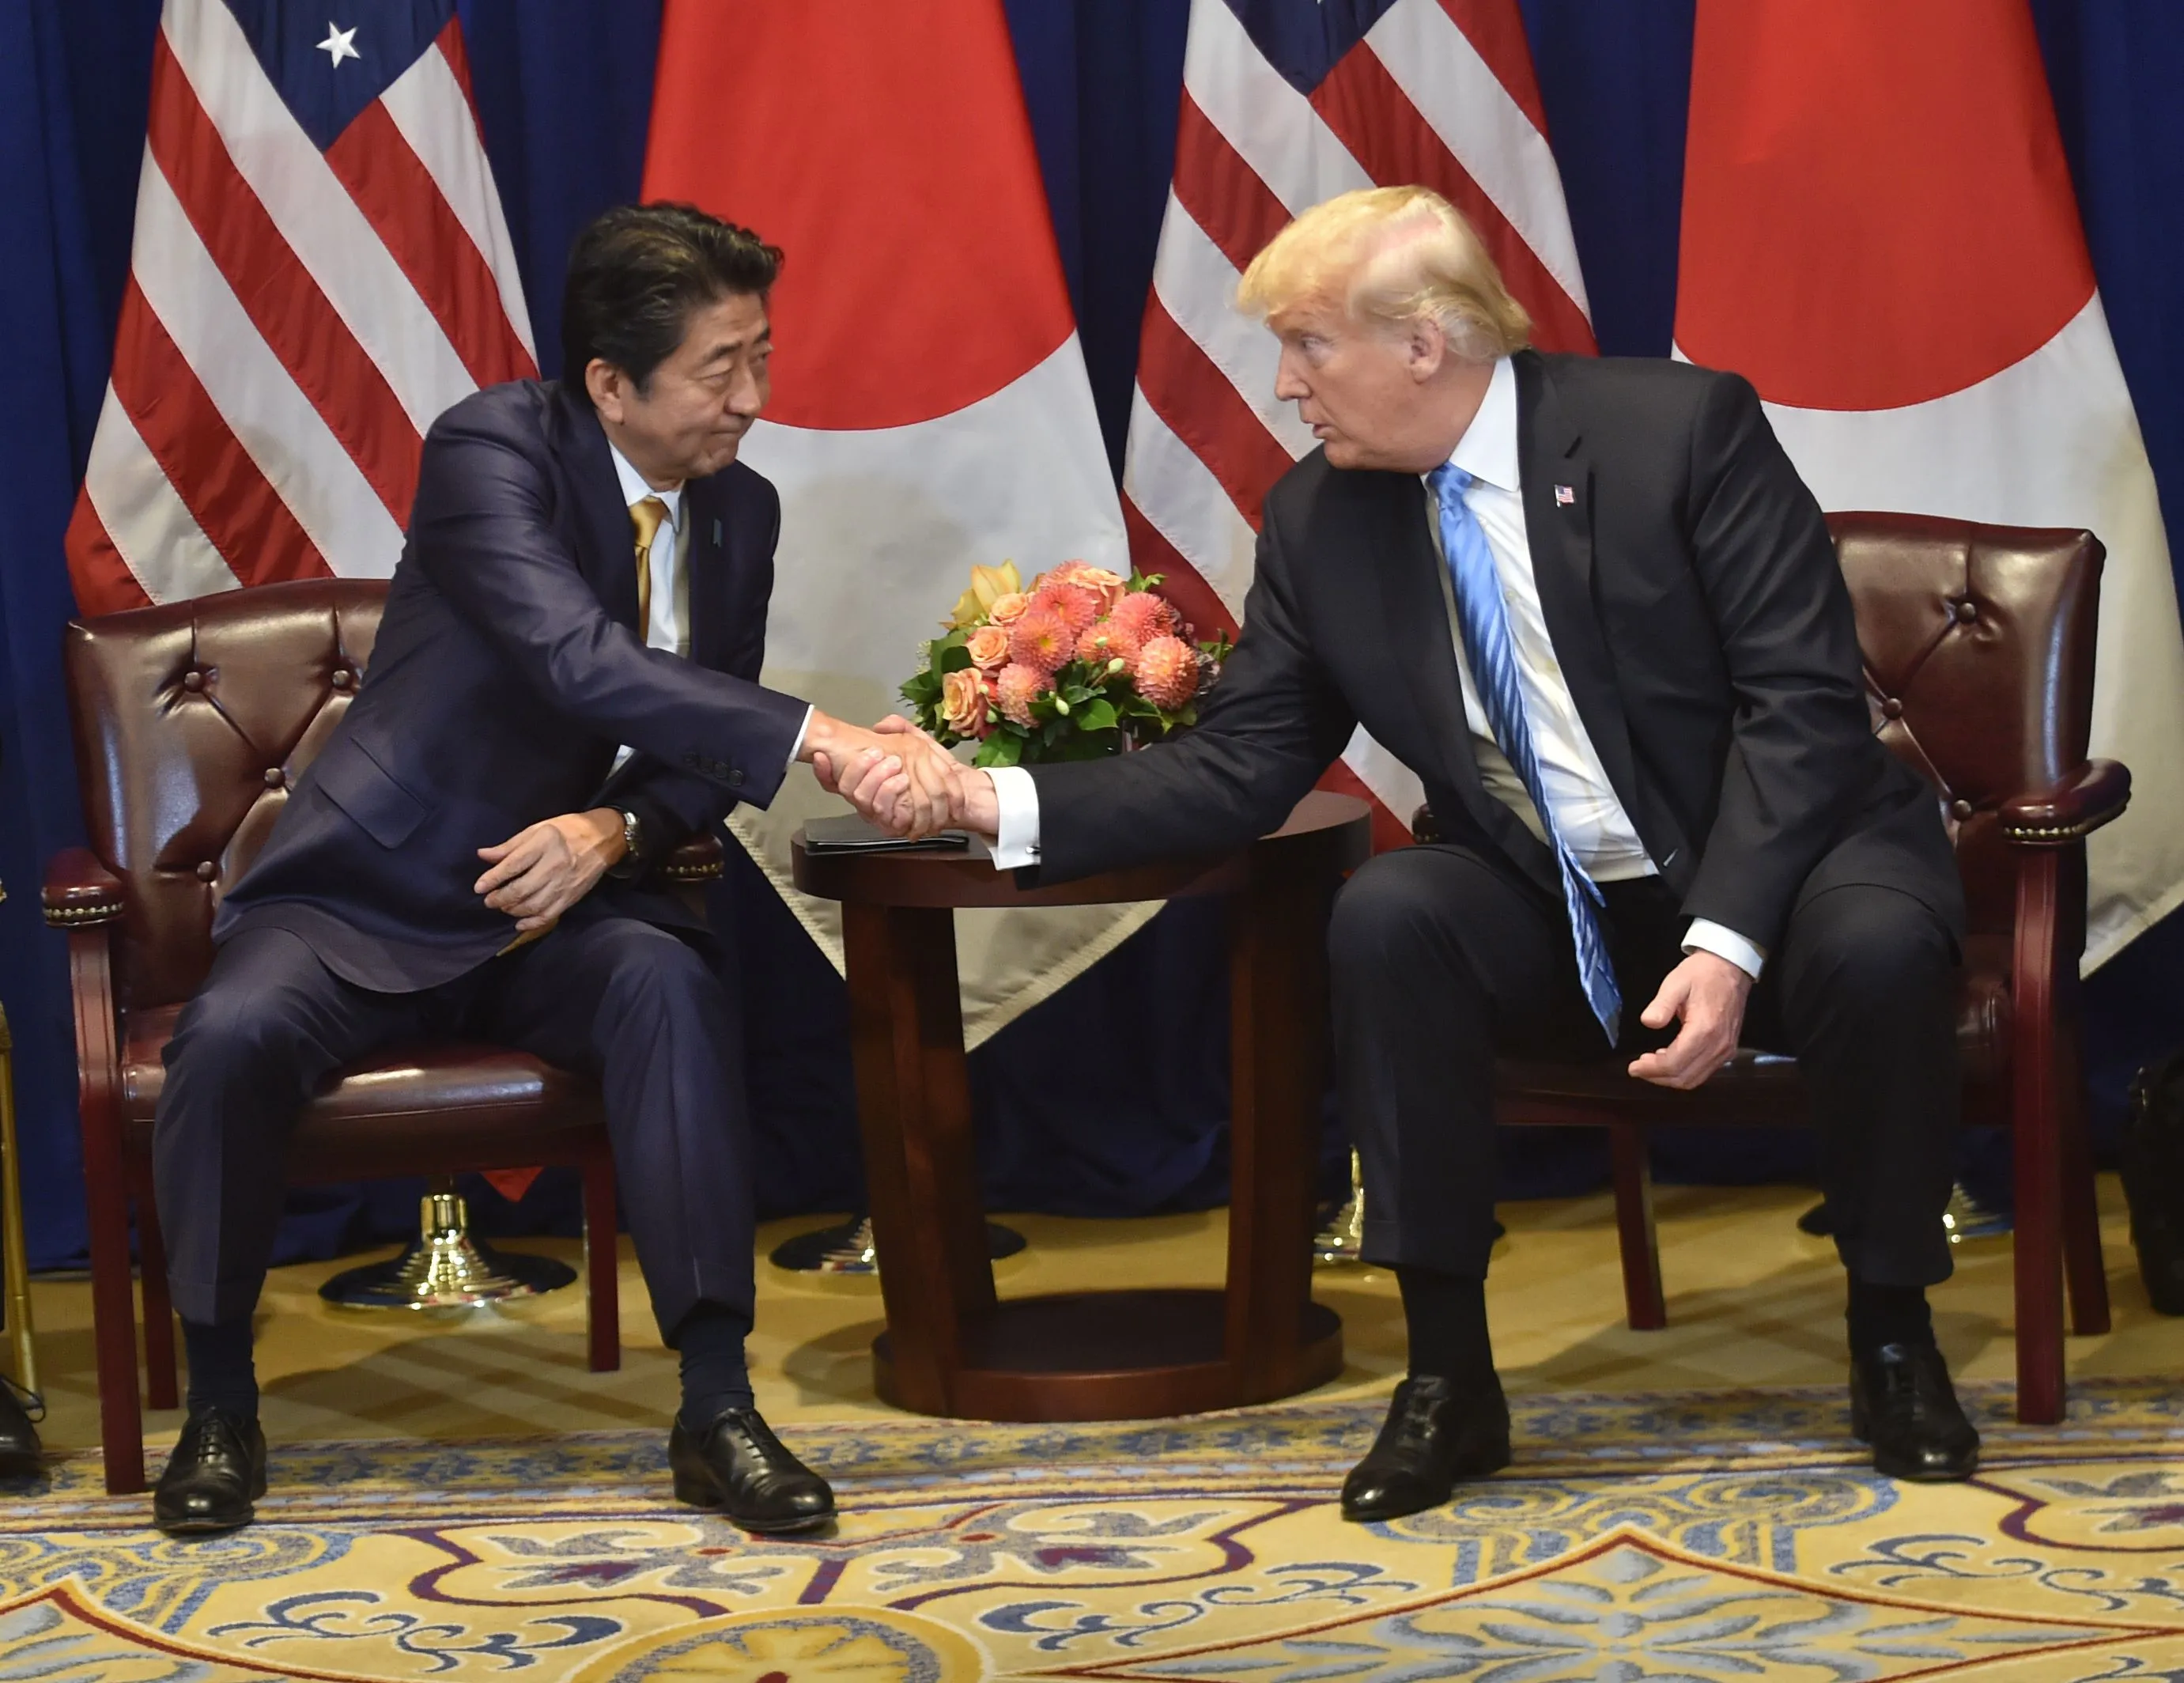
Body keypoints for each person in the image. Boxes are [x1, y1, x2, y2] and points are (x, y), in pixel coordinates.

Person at [831, 186, 1976, 1520]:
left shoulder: (1678, 431)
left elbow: (1800, 710)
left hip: (1788, 859)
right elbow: (1243, 764)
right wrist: (987, 799)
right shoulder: (1322, 518)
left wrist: (1723, 936)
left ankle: (1892, 1335)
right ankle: (1447, 1376)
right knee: (1391, 911)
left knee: (1879, 940)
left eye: (1309, 346)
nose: (1282, 385)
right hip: (1549, 895)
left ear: (1423, 342)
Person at [149, 202, 952, 1537]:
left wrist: (614, 834)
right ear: (608, 383)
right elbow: (577, 658)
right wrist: (821, 738)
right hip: (372, 893)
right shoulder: (490, 450)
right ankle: (221, 1403)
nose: (754, 399)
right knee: (229, 1039)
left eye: (761, 356)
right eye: (722, 368)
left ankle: (715, 1405)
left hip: (555, 911)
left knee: (668, 990)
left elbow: (694, 741)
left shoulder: (738, 512)